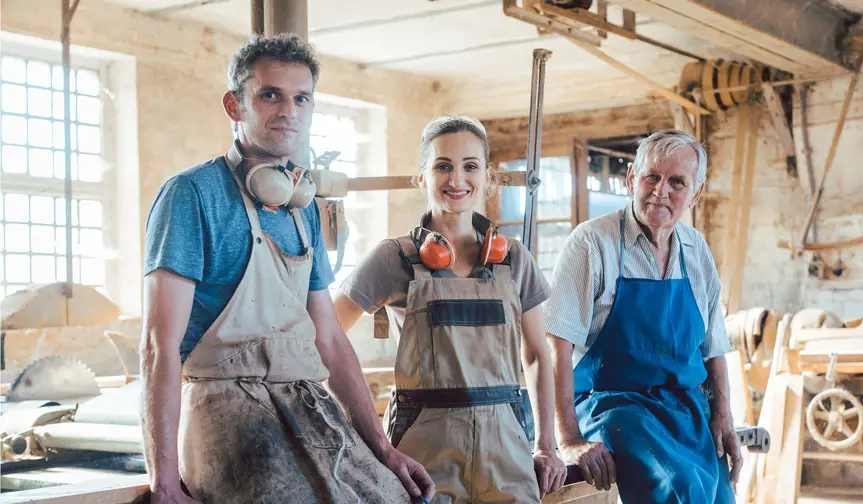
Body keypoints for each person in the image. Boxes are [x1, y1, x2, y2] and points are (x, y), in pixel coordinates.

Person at [140, 33, 434, 504]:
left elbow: (331, 340)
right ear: (235, 105)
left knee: (398, 497)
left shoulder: (304, 209)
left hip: (305, 402)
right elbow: (160, 347)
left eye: (302, 98)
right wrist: (165, 484)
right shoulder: (192, 195)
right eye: (270, 94)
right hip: (227, 407)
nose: (288, 111)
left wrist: (384, 450)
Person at [333, 115, 567, 503]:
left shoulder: (514, 260)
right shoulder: (394, 258)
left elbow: (538, 354)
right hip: (423, 454)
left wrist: (546, 444)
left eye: (470, 166)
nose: (457, 180)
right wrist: (372, 437)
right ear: (421, 176)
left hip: (507, 450)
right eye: (443, 166)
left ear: (487, 176)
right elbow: (325, 335)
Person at [544, 130, 742, 503]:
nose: (660, 191)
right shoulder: (592, 243)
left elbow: (714, 345)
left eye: (677, 182)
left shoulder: (696, 249)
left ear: (695, 194)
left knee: (720, 495)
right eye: (652, 176)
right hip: (615, 405)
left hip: (685, 409)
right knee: (675, 486)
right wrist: (568, 439)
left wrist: (723, 417)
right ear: (631, 177)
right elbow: (556, 349)